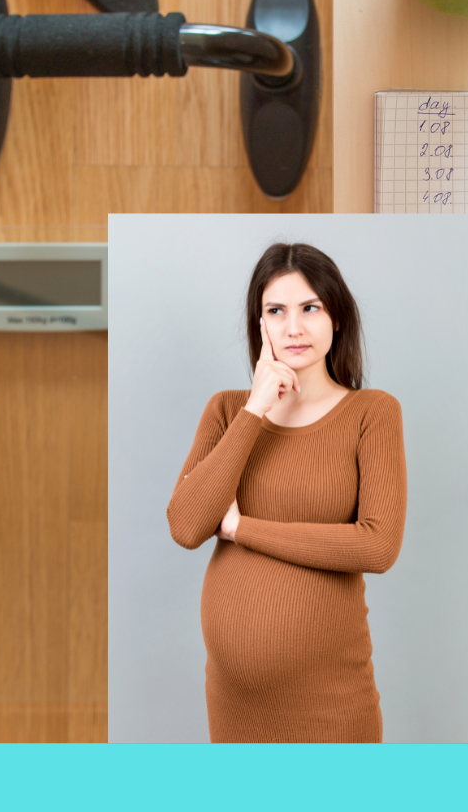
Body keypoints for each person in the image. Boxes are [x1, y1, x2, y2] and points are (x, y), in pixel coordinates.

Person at [166, 241, 407, 743]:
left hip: (330, 700)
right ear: (260, 324)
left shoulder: (372, 413)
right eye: (276, 310)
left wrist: (239, 527)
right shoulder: (229, 412)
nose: (293, 327)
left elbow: (377, 546)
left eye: (309, 308)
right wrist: (256, 409)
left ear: (336, 316)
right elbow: (187, 526)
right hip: (235, 705)